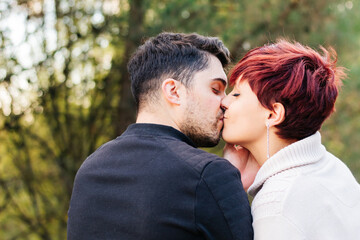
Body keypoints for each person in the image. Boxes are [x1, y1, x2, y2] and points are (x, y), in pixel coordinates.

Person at [67, 32, 253, 240]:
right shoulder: (208, 174)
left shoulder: (90, 170)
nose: (225, 103)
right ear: (173, 91)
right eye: (215, 89)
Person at [221, 39, 360, 240]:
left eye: (236, 94)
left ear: (273, 114)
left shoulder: (276, 204)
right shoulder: (331, 168)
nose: (224, 102)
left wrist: (227, 191)